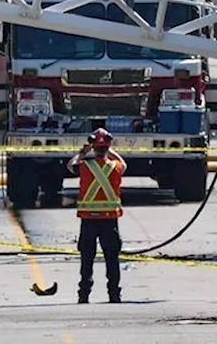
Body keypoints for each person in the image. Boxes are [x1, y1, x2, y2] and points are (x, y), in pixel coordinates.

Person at [67, 127, 126, 304]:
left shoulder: (84, 167)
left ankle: (84, 294)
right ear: (108, 147)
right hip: (110, 221)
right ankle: (114, 294)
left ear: (93, 146)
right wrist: (110, 150)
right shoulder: (115, 167)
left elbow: (70, 166)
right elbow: (124, 163)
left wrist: (83, 152)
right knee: (112, 259)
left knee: (87, 259)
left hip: (89, 221)